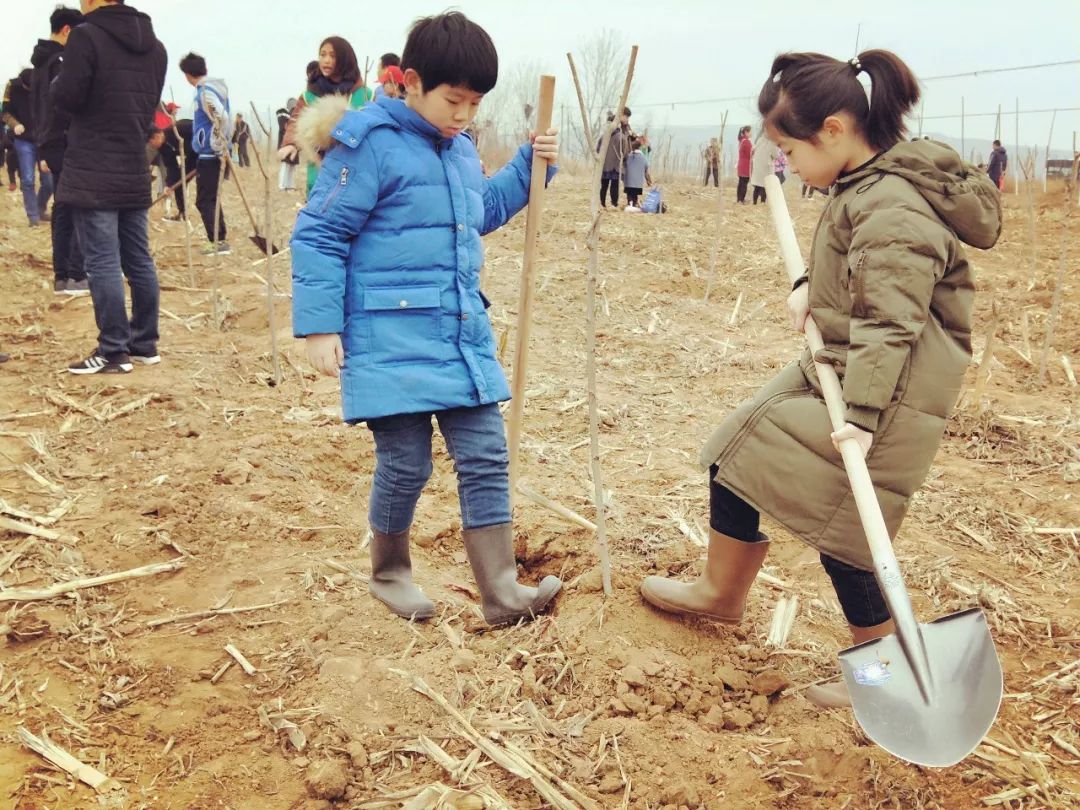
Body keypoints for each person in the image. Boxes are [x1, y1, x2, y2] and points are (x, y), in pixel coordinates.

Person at [640, 49, 1000, 708]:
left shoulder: (893, 202)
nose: (790, 167)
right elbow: (864, 284)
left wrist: (860, 419)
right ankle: (722, 593)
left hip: (887, 394)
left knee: (848, 531)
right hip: (840, 364)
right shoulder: (864, 182)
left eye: (791, 150)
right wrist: (817, 294)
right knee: (734, 447)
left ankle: (888, 676)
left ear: (833, 129)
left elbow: (892, 322)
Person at [290, 11, 563, 627]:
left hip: (458, 333)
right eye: (453, 100)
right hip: (387, 335)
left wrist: (528, 166)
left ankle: (501, 592)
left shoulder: (460, 151)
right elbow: (321, 233)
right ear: (410, 82)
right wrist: (319, 326)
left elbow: (482, 209)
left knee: (487, 453)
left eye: (475, 104)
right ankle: (389, 571)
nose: (464, 115)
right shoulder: (368, 146)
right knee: (407, 463)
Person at [52, 0, 167, 375]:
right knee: (138, 258)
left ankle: (113, 350)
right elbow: (149, 105)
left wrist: (57, 79)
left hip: (93, 166)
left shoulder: (86, 37)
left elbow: (67, 97)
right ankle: (145, 344)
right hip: (133, 165)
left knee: (101, 261)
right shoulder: (155, 45)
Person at [31, 5, 89, 296]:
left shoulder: (40, 62)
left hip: (49, 143)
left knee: (64, 207)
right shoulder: (63, 61)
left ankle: (64, 276)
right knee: (77, 207)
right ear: (67, 30)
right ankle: (76, 275)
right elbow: (65, 105)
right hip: (67, 142)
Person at [278, 38, 373, 197]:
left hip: (356, 171)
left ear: (345, 59)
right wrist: (290, 143)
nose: (326, 60)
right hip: (320, 170)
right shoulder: (310, 95)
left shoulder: (365, 95)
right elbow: (296, 120)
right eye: (322, 55)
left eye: (333, 56)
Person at [180, 52, 231, 255]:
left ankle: (217, 241)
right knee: (210, 198)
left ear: (187, 74)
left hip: (210, 155)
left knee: (204, 200)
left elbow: (223, 117)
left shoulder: (205, 92)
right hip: (211, 153)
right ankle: (219, 238)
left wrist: (217, 144)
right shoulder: (214, 88)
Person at [3, 69, 53, 226]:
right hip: (23, 140)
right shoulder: (12, 86)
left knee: (49, 181)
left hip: (43, 139)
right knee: (28, 179)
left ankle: (39, 207)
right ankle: (33, 217)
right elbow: (5, 113)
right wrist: (14, 124)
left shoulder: (44, 86)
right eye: (27, 89)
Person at [598, 107, 632, 208]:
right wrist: (625, 160)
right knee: (614, 186)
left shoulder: (603, 136)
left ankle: (602, 203)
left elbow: (597, 150)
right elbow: (625, 152)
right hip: (616, 166)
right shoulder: (621, 137)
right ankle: (614, 204)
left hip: (604, 166)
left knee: (604, 185)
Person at [623, 137, 651, 208]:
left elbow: (624, 165)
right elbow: (646, 169)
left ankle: (629, 204)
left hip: (628, 181)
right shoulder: (643, 158)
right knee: (635, 195)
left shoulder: (628, 156)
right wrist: (649, 181)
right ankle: (634, 204)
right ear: (639, 147)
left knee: (629, 194)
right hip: (637, 182)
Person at [749, 130, 773, 204]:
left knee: (757, 185)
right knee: (765, 185)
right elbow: (775, 154)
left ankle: (755, 202)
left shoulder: (759, 140)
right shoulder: (771, 142)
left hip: (758, 166)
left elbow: (753, 150)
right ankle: (762, 202)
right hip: (766, 166)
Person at [735, 125, 751, 203]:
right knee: (744, 183)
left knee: (741, 182)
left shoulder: (742, 141)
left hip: (741, 163)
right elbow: (750, 154)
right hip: (746, 164)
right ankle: (741, 199)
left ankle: (739, 199)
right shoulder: (746, 142)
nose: (751, 134)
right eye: (750, 132)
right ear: (746, 132)